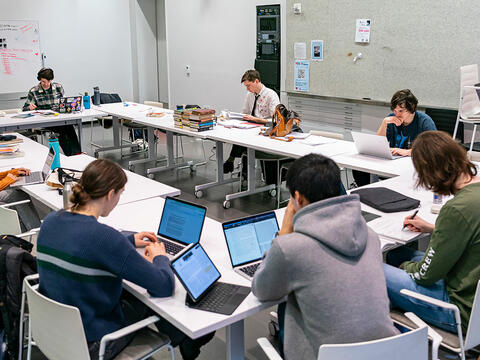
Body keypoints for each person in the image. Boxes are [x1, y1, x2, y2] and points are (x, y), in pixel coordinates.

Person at [36, 159, 213, 360]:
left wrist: (127, 240)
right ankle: (188, 338)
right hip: (94, 344)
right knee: (147, 298)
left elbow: (84, 246)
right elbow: (163, 285)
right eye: (120, 194)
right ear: (111, 194)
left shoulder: (51, 221)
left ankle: (186, 340)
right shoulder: (105, 238)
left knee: (130, 291)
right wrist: (160, 258)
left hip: (53, 331)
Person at [252, 154, 398, 360]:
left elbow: (262, 289)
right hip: (384, 353)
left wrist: (283, 233)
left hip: (322, 356)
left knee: (288, 300)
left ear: (297, 198)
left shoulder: (290, 248)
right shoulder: (370, 236)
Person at [384, 131, 480, 334]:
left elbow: (424, 275)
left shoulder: (457, 208)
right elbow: (471, 234)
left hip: (460, 311)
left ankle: (391, 336)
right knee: (396, 253)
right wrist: (434, 229)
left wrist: (404, 267)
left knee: (376, 269)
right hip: (473, 295)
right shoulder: (474, 195)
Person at [353, 89, 437, 187]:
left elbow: (432, 150)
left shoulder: (425, 122)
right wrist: (384, 123)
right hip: (393, 163)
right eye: (395, 110)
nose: (397, 114)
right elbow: (378, 143)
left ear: (412, 108)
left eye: (401, 111)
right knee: (359, 169)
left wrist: (406, 152)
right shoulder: (391, 118)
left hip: (413, 165)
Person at [223, 69, 280, 175]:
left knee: (246, 139)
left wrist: (257, 120)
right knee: (240, 134)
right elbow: (245, 112)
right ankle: (240, 168)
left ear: (256, 81)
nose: (247, 89)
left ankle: (237, 166)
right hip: (252, 125)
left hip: (265, 127)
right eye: (246, 86)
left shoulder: (271, 95)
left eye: (248, 85)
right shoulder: (250, 94)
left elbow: (276, 120)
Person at [22, 68, 82, 156]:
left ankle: (77, 153)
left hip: (57, 116)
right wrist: (30, 107)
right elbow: (24, 108)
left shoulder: (58, 87)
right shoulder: (33, 91)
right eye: (43, 82)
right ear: (39, 80)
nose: (45, 84)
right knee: (61, 129)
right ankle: (70, 154)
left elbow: (64, 102)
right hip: (44, 120)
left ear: (51, 80)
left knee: (69, 127)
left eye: (48, 82)